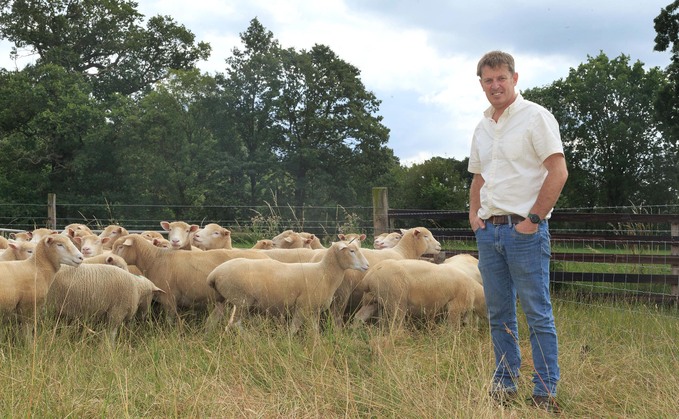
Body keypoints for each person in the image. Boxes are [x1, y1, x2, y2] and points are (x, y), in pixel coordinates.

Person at [468, 51, 568, 413]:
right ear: (480, 83)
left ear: (514, 78)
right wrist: (474, 216)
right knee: (498, 314)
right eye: (488, 80)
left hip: (523, 232)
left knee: (537, 312)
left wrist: (534, 220)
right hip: (489, 232)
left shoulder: (535, 117)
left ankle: (544, 391)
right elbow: (478, 176)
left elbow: (558, 171)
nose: (495, 85)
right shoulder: (482, 127)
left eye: (501, 78)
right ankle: (505, 384)